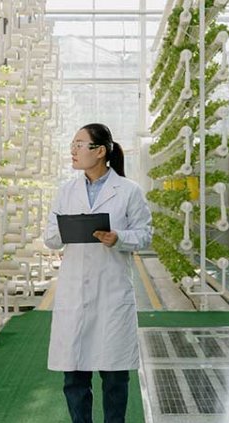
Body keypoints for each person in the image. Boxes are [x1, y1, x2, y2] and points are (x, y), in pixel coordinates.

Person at [44, 123, 153, 423]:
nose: (73, 150)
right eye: (73, 144)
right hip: (75, 292)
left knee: (115, 377)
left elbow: (145, 235)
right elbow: (50, 236)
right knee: (75, 378)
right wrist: (66, 230)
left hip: (111, 291)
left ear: (100, 151)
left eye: (80, 144)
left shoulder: (129, 191)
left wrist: (119, 238)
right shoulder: (67, 191)